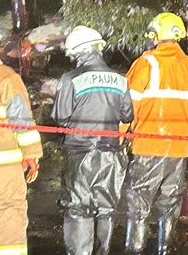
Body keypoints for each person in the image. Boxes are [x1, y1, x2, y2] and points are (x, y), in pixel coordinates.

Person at [123, 12, 188, 255]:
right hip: (179, 146)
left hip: (148, 144)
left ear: (159, 35)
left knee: (139, 200)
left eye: (152, 33)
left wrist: (120, 134)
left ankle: (134, 249)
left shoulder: (146, 63)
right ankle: (164, 249)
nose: (150, 38)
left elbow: (128, 105)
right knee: (170, 200)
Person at [51, 25, 134, 255]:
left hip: (80, 154)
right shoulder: (120, 78)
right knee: (105, 209)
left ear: (77, 52)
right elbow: (128, 115)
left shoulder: (70, 78)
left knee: (78, 209)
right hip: (111, 155)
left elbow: (60, 117)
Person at [0, 21, 43, 255]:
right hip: (2, 168)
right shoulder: (5, 78)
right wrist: (31, 155)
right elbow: (22, 121)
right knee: (8, 212)